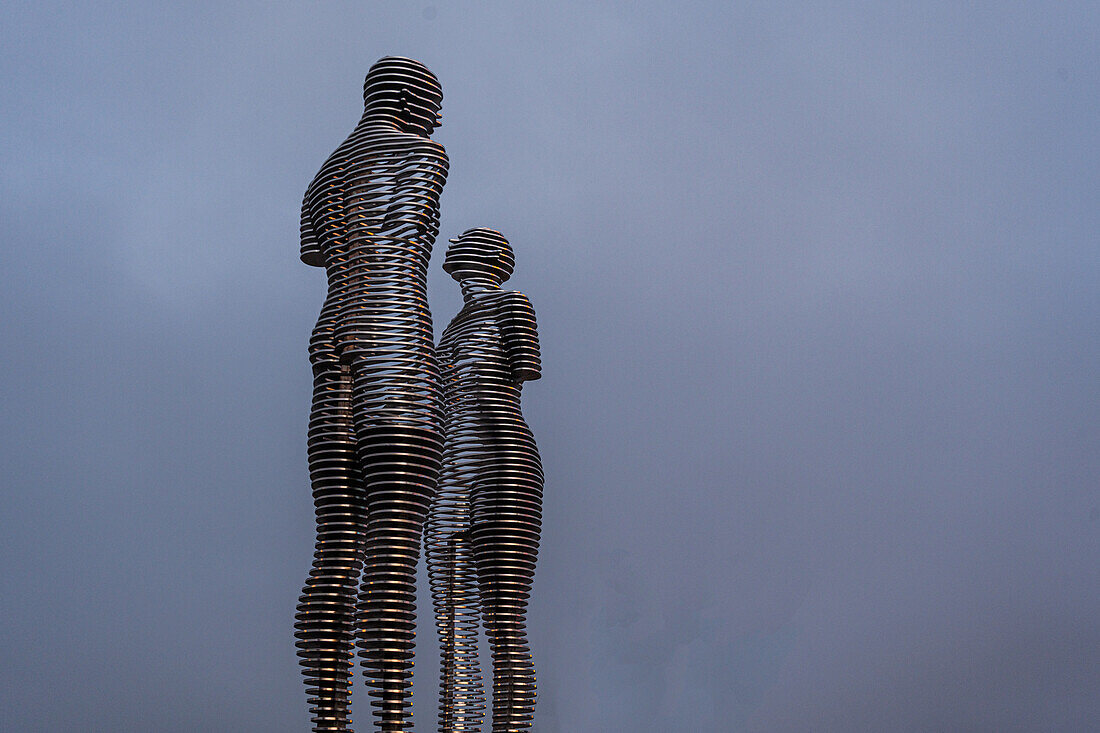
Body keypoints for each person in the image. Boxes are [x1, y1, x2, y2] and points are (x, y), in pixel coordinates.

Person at [295, 56, 449, 733]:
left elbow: (315, 254)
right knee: (392, 542)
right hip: (394, 336)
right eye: (433, 101)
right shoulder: (424, 154)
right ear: (408, 97)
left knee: (334, 547)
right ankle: (393, 724)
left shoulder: (321, 176)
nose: (439, 117)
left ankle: (328, 722)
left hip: (330, 339)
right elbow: (406, 238)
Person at [426, 228, 543, 732]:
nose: (451, 243)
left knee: (503, 623)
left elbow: (519, 376)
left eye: (465, 240)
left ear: (491, 257)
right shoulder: (446, 330)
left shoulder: (513, 306)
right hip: (448, 473)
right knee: (452, 629)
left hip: (503, 461)